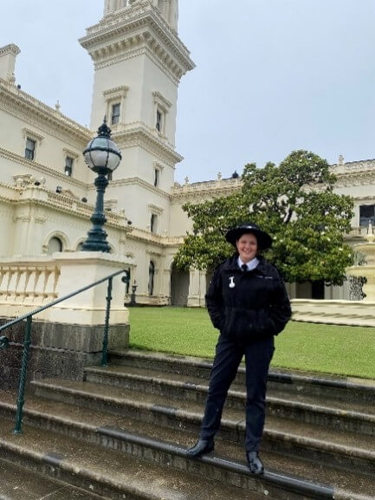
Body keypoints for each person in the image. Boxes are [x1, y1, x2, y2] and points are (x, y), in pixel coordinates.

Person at [186, 222, 292, 475]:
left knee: (255, 395)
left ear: (258, 247)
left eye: (252, 243)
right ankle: (206, 439)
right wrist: (224, 324)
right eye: (243, 242)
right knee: (216, 388)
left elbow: (283, 310)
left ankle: (252, 450)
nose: (247, 246)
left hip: (259, 341)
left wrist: (266, 328)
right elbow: (212, 300)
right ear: (237, 244)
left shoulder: (269, 272)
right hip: (230, 339)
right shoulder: (226, 269)